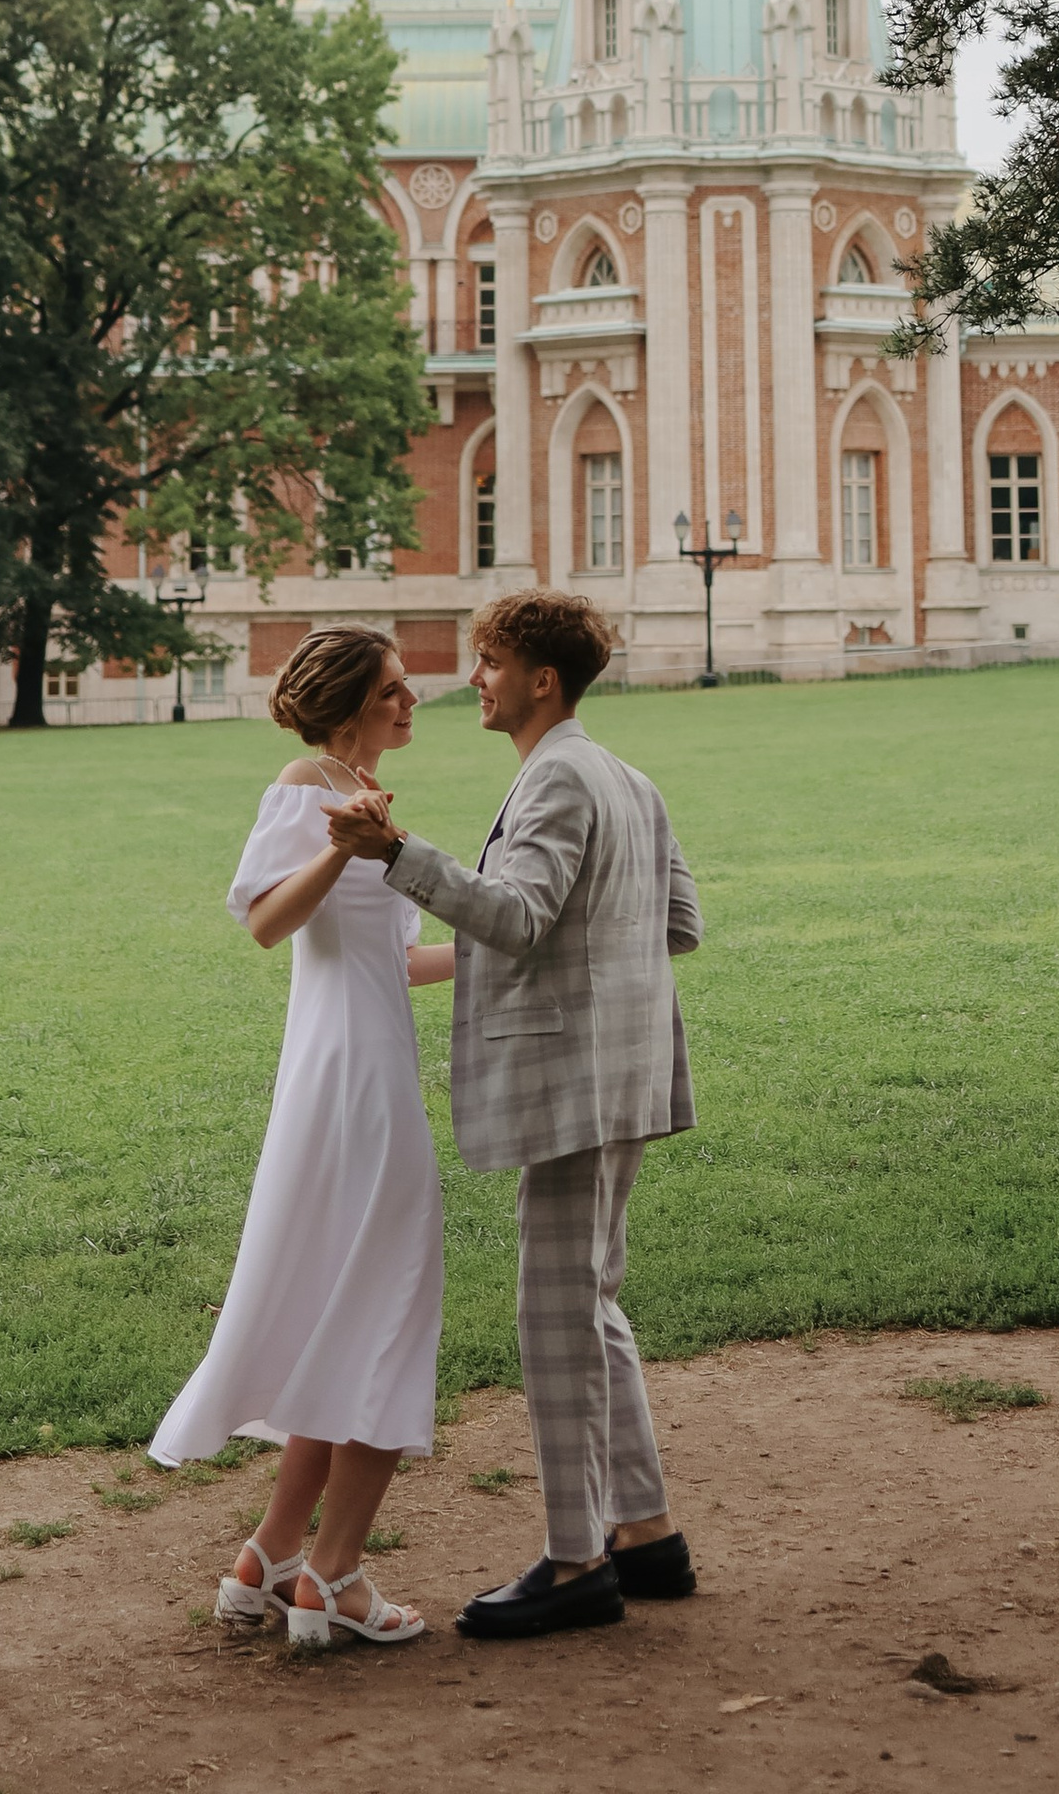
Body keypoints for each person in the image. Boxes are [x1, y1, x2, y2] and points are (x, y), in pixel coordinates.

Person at [330, 588, 702, 1642]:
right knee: (591, 1303)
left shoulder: (556, 781)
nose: (474, 679)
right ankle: (647, 1534)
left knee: (553, 1318)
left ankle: (576, 1559)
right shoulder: (627, 776)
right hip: (623, 1075)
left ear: (542, 679)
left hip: (575, 1087)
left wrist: (395, 854)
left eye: (490, 662)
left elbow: (522, 917)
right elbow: (677, 921)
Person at [149, 623, 455, 1653]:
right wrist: (340, 839)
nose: (411, 700)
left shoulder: (359, 787)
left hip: (366, 1061)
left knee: (347, 1306)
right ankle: (339, 1577)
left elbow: (395, 959)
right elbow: (266, 923)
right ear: (344, 705)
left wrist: (507, 951)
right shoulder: (309, 782)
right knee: (389, 1310)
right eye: (392, 689)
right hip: (348, 1077)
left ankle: (270, 1560)